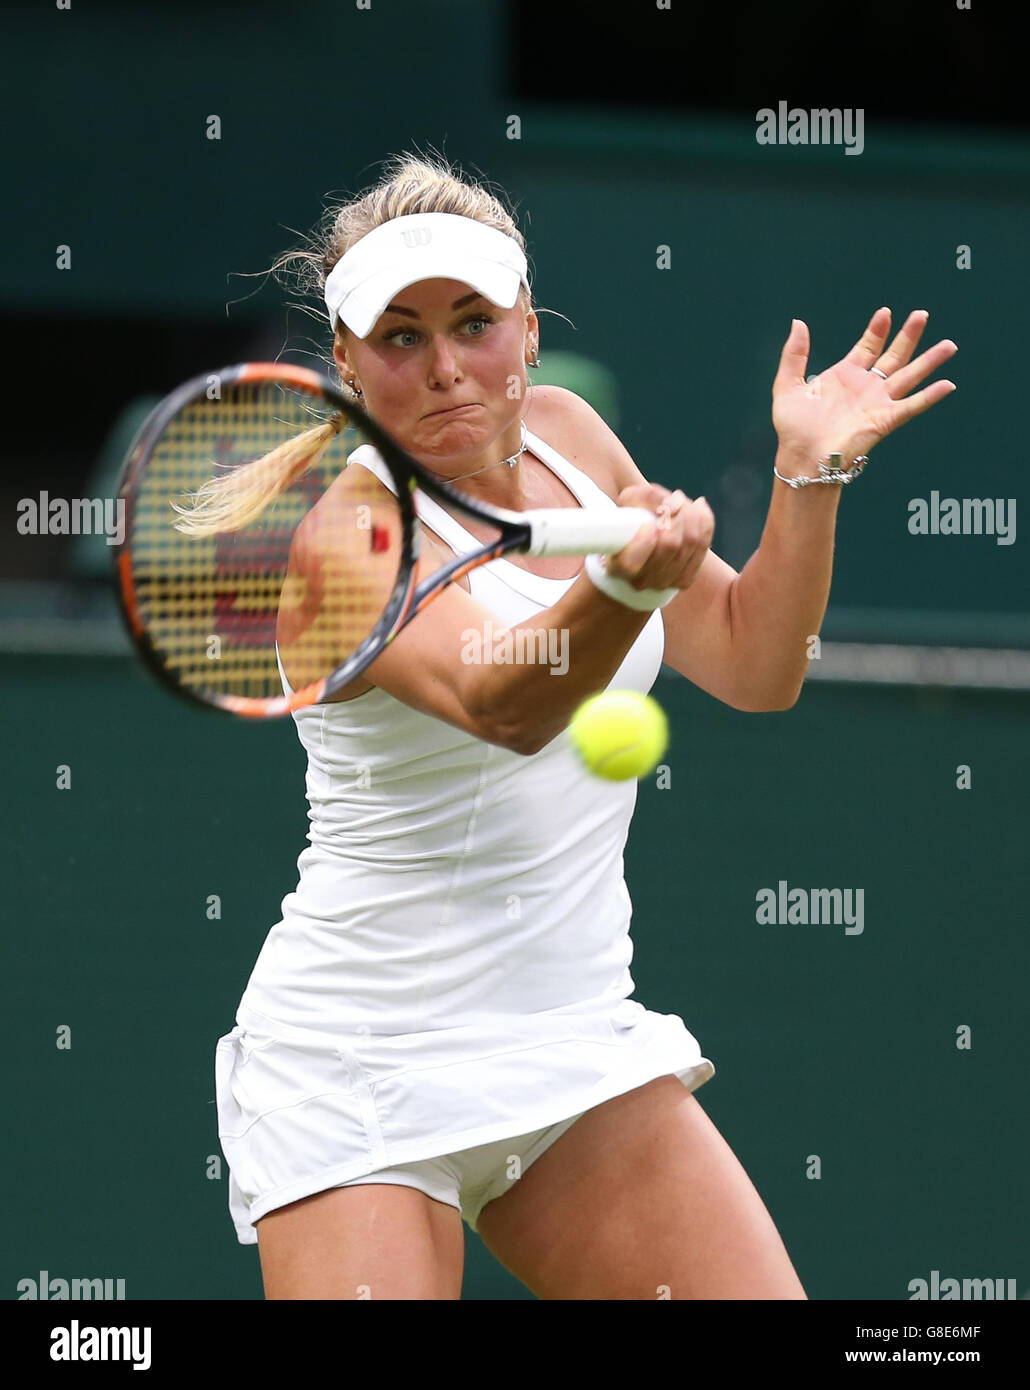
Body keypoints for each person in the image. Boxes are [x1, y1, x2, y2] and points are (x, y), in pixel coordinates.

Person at [212, 151, 957, 1300]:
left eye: (474, 322)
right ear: (348, 363)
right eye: (401, 337)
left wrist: (808, 477)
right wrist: (619, 588)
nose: (448, 367)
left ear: (526, 327)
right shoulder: (341, 537)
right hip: (356, 1064)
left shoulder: (568, 437)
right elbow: (497, 702)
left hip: (568, 1043)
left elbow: (760, 663)